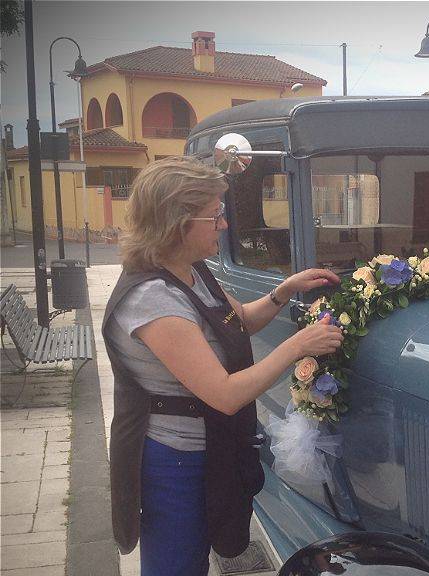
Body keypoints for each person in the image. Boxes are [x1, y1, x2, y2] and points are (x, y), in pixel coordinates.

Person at [102, 156, 343, 575]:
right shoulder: (154, 298)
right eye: (215, 216)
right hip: (175, 461)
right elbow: (224, 393)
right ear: (178, 222)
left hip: (208, 450)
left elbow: (240, 322)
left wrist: (284, 290)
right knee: (175, 566)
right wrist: (297, 346)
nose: (224, 225)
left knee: (195, 560)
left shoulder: (191, 271)